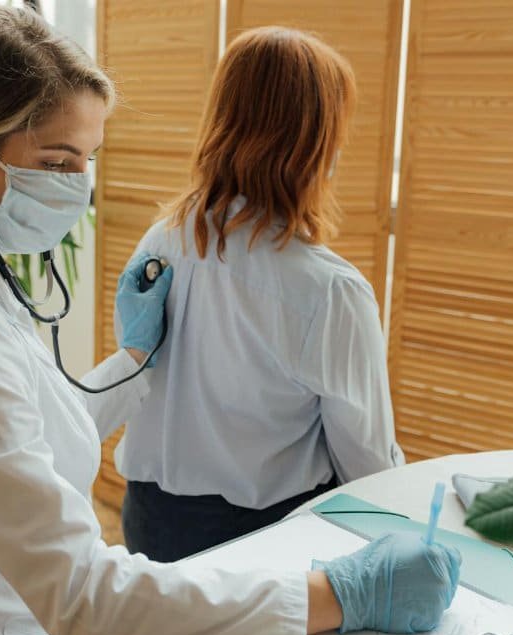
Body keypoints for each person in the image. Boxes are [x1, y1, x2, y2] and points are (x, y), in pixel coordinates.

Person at [0, 6, 459, 635]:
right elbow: (87, 602)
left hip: (30, 609)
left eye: (86, 160)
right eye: (56, 161)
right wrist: (341, 592)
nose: (77, 185)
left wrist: (136, 359)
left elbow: (20, 436)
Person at [118, 27, 402, 563]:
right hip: (264, 543)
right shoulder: (331, 291)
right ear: (313, 141)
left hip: (149, 527)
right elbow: (368, 468)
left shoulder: (160, 242)